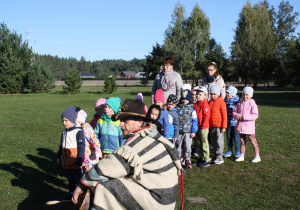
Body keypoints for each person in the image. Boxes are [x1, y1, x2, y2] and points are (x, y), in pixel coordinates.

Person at [72, 99, 182, 209]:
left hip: (157, 201)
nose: (121, 125)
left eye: (125, 121)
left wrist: (82, 184)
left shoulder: (139, 143)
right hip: (165, 198)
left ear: (139, 121)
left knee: (104, 187)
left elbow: (109, 167)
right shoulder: (151, 135)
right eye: (121, 121)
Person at [57, 106, 85, 201]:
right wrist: (58, 156)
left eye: (66, 120)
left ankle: (82, 195)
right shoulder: (64, 131)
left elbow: (82, 147)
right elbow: (61, 145)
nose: (63, 123)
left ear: (73, 119)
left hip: (75, 161)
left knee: (78, 179)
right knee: (70, 179)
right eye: (63, 120)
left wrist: (80, 158)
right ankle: (71, 193)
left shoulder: (78, 131)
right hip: (66, 161)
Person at [233, 87, 261, 163]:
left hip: (249, 127)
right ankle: (242, 155)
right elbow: (234, 112)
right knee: (242, 141)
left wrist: (244, 117)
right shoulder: (239, 103)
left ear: (250, 95)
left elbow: (255, 115)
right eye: (243, 94)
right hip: (240, 126)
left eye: (247, 95)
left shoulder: (252, 103)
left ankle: (257, 156)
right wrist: (238, 116)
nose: (245, 96)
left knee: (252, 141)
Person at [176, 89, 198, 168]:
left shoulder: (192, 110)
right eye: (183, 99)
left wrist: (194, 131)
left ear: (189, 99)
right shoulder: (177, 109)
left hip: (188, 132)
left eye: (186, 99)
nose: (184, 100)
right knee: (178, 146)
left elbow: (195, 121)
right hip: (179, 131)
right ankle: (177, 160)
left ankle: (187, 159)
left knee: (188, 146)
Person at [208, 84, 227, 165]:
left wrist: (224, 126)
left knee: (219, 140)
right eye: (211, 94)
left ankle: (219, 155)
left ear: (218, 94)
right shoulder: (210, 102)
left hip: (219, 126)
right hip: (212, 126)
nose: (213, 96)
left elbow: (224, 115)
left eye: (214, 94)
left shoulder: (221, 102)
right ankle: (215, 154)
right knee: (213, 141)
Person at [193, 86, 211, 167]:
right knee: (198, 143)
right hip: (197, 127)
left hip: (203, 128)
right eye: (197, 94)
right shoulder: (196, 104)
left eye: (200, 94)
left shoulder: (205, 105)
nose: (198, 96)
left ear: (205, 96)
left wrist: (203, 126)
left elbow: (206, 117)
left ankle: (206, 159)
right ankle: (201, 157)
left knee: (204, 143)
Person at [223, 86, 241, 158]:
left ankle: (237, 151)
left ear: (233, 94)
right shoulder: (225, 101)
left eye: (228, 93)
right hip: (228, 122)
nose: (227, 94)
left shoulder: (237, 101)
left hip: (236, 123)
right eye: (226, 92)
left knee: (236, 138)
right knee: (229, 137)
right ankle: (229, 150)